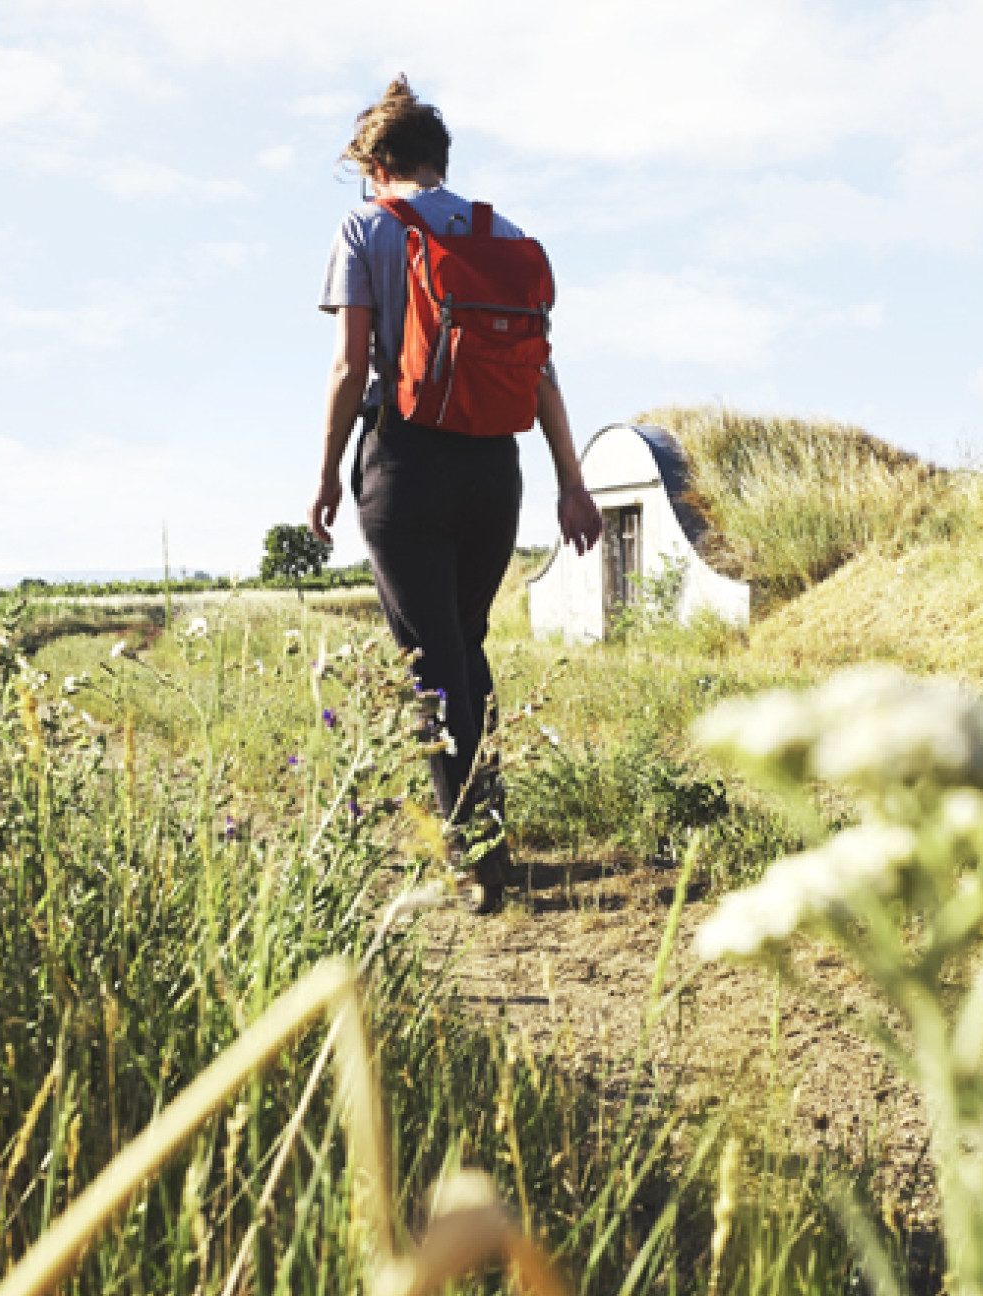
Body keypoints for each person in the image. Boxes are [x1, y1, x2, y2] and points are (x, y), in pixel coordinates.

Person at [311, 77, 603, 914]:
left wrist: (329, 472)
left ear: (376, 164)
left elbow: (346, 366)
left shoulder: (366, 227)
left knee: (432, 664)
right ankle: (487, 833)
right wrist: (572, 486)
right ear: (440, 162)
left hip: (406, 462)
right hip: (494, 471)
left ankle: (476, 859)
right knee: (464, 649)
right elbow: (540, 370)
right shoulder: (504, 235)